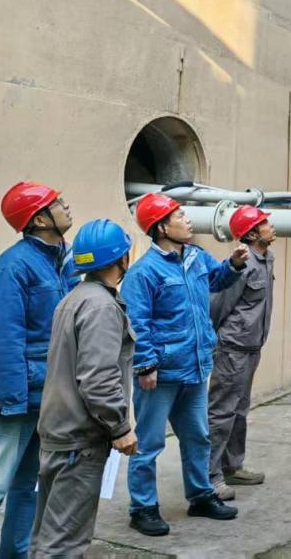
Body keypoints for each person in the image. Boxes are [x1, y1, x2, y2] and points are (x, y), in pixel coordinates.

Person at [0, 182, 76, 559]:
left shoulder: (61, 262)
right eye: (57, 203)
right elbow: (1, 340)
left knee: (29, 488)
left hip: (46, 399)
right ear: (39, 220)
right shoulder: (12, 267)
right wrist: (12, 402)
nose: (66, 206)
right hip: (13, 403)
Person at [123, 193, 248, 536]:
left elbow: (216, 281)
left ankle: (201, 496)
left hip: (194, 369)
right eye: (179, 215)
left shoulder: (195, 257)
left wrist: (233, 264)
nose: (188, 219)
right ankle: (142, 508)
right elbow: (137, 322)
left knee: (198, 437)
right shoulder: (144, 272)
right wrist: (146, 365)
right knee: (148, 444)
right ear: (162, 228)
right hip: (160, 375)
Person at [30, 219, 138, 559]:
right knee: (63, 544)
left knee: (47, 536)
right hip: (80, 440)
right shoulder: (101, 306)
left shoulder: (74, 298)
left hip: (59, 433)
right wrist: (119, 427)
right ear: (121, 258)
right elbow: (98, 377)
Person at [208, 206, 278, 500]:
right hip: (232, 349)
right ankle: (209, 477)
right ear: (251, 234)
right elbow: (218, 306)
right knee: (221, 412)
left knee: (239, 410)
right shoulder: (243, 263)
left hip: (251, 347)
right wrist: (216, 342)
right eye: (264, 223)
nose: (270, 226)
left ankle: (232, 467)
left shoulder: (267, 258)